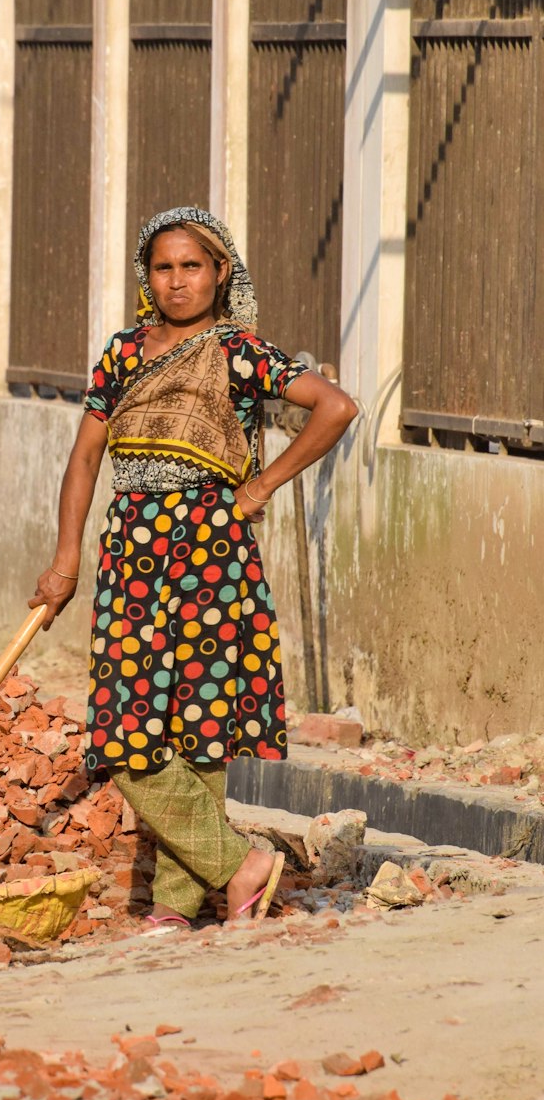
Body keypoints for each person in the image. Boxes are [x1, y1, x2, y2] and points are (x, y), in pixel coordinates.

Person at [30, 206, 358, 929]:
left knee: (199, 725)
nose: (178, 282)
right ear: (148, 278)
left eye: (192, 267)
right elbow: (86, 459)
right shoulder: (122, 355)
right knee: (125, 730)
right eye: (164, 268)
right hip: (131, 547)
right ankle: (238, 863)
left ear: (220, 273)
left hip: (211, 548)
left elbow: (336, 407)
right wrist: (65, 558)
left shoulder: (241, 351)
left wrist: (262, 486)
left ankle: (179, 908)